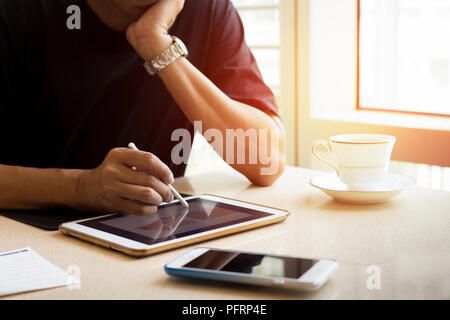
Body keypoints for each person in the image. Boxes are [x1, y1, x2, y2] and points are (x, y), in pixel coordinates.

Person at [0, 0, 286, 216]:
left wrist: (157, 45)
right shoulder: (18, 12)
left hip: (151, 235)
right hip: (27, 239)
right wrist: (80, 188)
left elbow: (267, 161)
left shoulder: (205, 9)